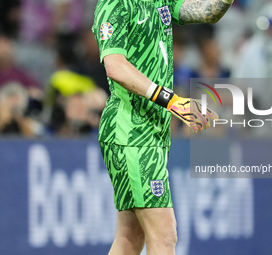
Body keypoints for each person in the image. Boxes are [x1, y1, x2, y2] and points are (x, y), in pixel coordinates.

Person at [92, 0, 233, 254]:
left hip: (152, 133)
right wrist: (173, 101)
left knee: (129, 237)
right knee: (164, 236)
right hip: (130, 132)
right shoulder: (115, 4)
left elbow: (209, 12)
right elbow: (115, 66)